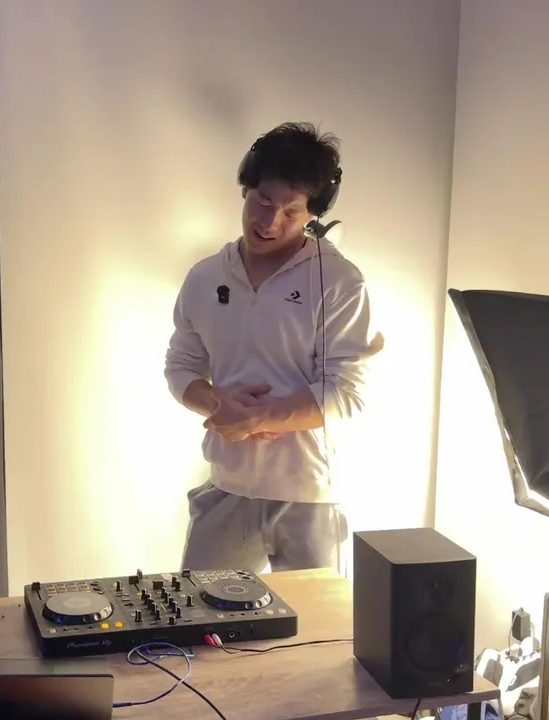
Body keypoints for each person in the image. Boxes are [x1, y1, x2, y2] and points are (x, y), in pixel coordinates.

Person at [164, 122, 384, 574]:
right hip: (226, 487)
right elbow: (180, 366)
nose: (269, 222)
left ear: (314, 214)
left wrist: (262, 416)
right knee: (200, 615)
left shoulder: (339, 282)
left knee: (313, 622)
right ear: (245, 189)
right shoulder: (205, 277)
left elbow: (347, 393)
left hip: (310, 498)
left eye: (291, 211)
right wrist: (217, 403)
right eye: (263, 203)